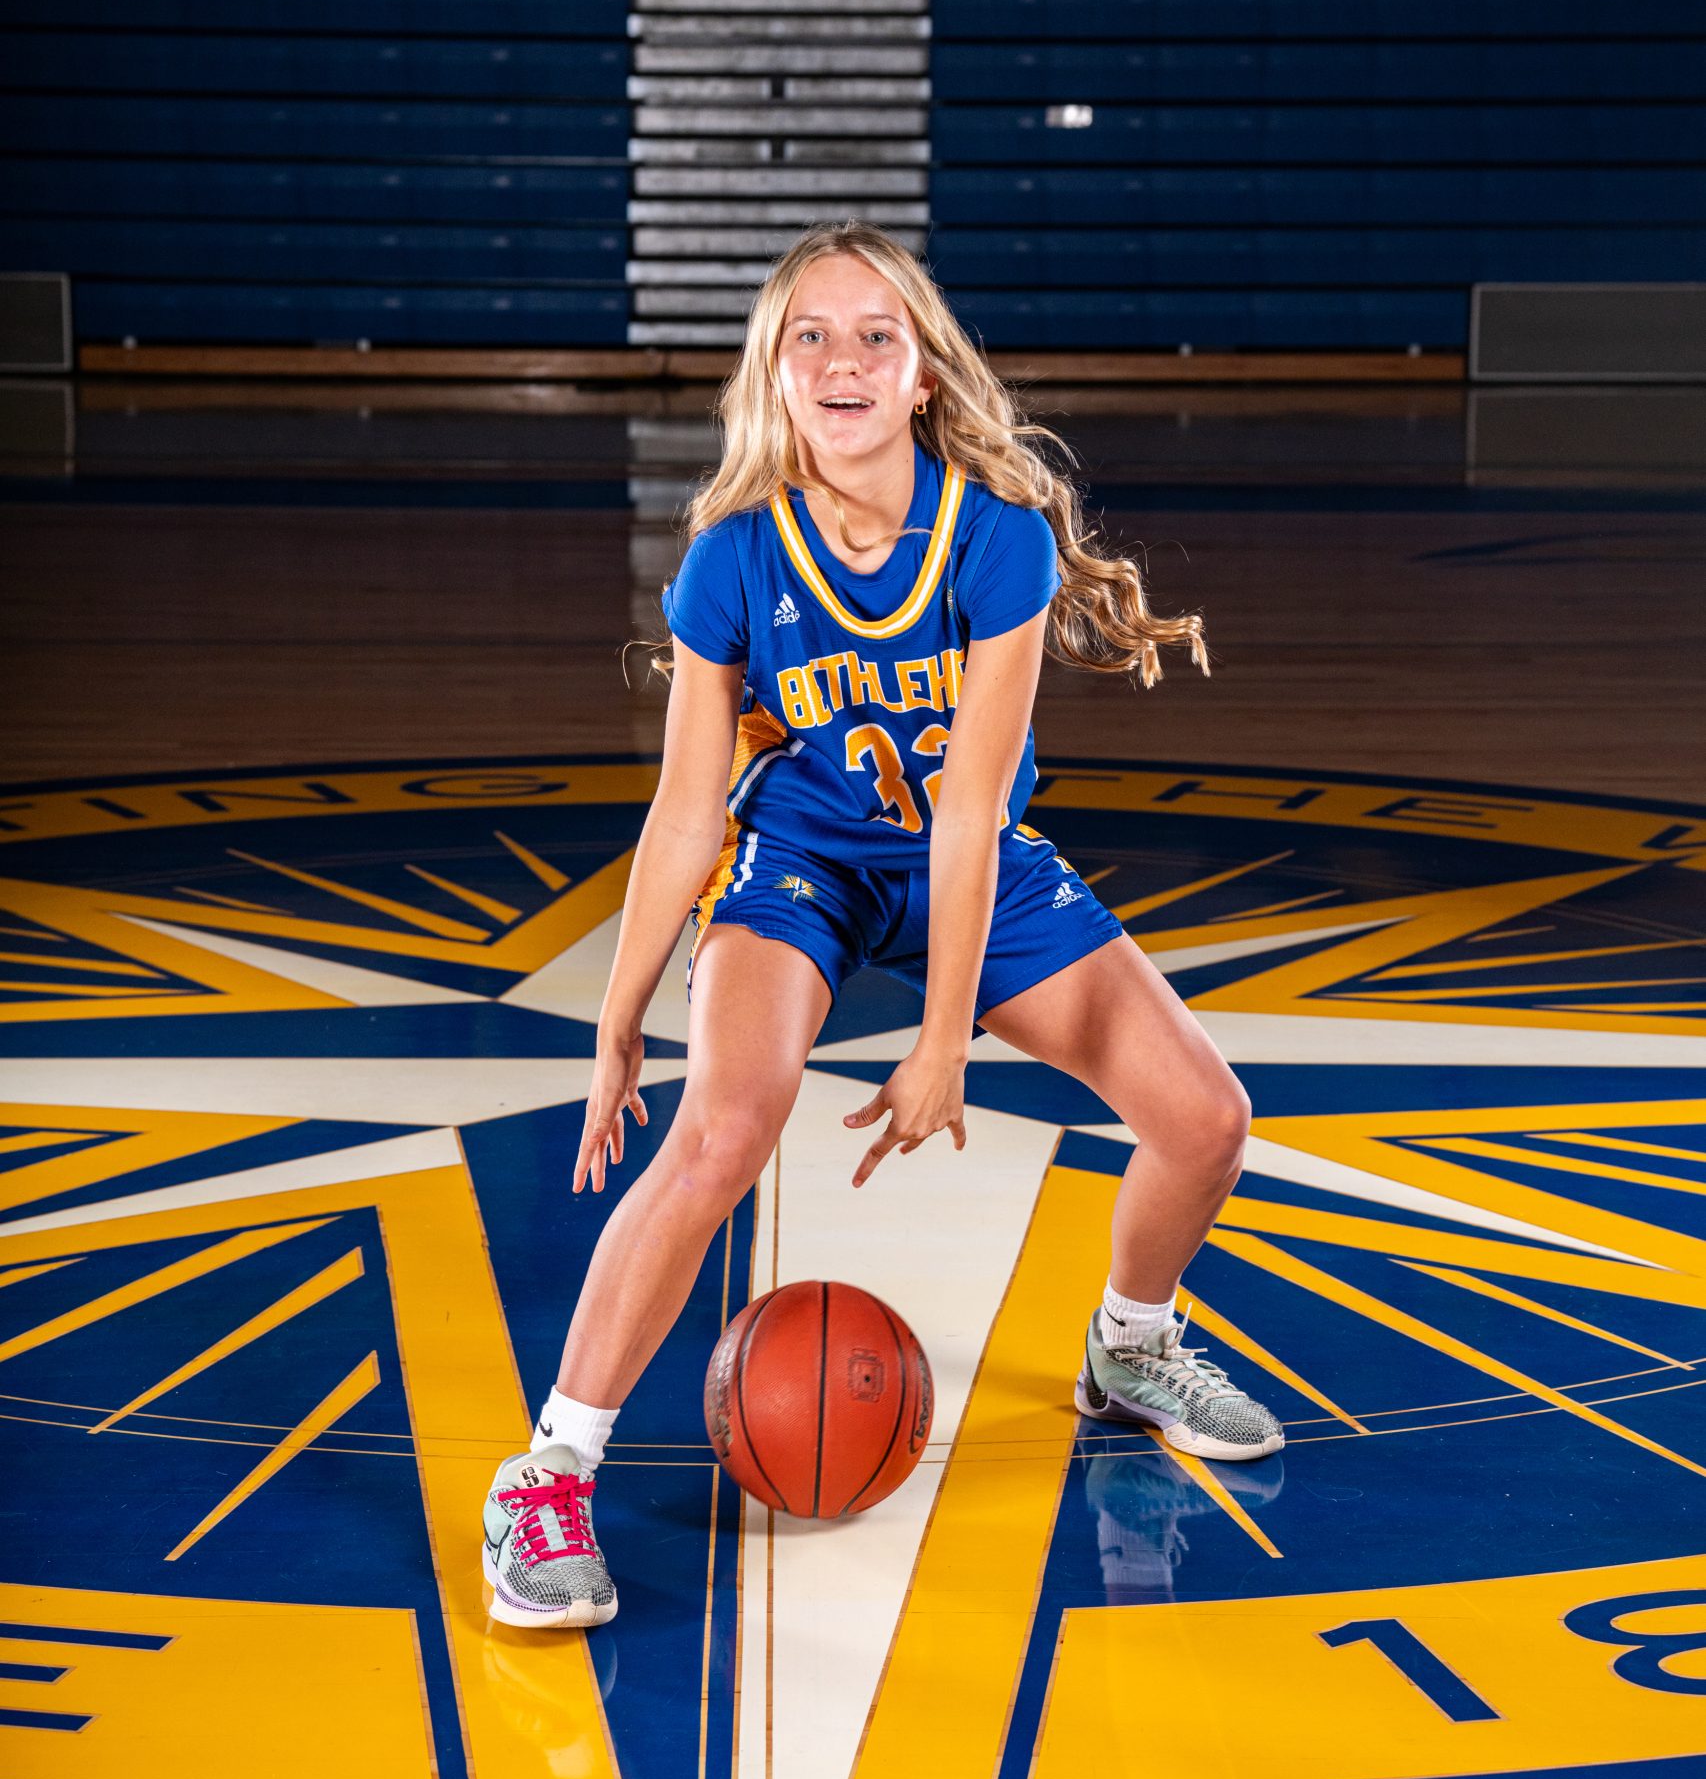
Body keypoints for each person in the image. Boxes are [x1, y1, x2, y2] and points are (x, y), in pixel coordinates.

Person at [481, 222, 1281, 1631]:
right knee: (723, 1127)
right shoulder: (732, 560)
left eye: (875, 335)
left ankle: (1131, 1346)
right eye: (811, 335)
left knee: (1207, 1118)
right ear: (773, 376)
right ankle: (547, 1475)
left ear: (922, 375)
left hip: (961, 861)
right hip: (800, 865)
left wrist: (941, 1041)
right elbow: (685, 811)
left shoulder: (996, 540)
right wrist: (616, 1022)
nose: (841, 358)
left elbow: (969, 820)